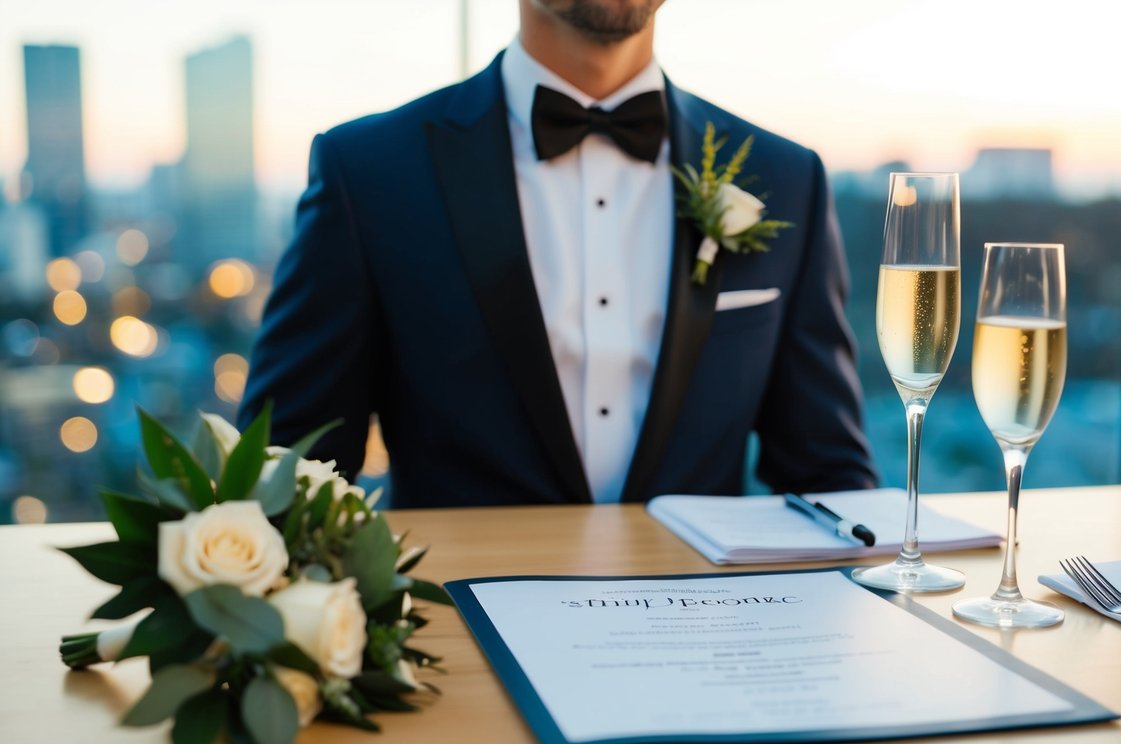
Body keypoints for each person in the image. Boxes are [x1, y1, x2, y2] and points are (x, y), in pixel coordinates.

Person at [239, 0, 876, 507]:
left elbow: (828, 475)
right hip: (454, 642)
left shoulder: (785, 176)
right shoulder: (369, 172)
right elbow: (288, 471)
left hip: (706, 641)